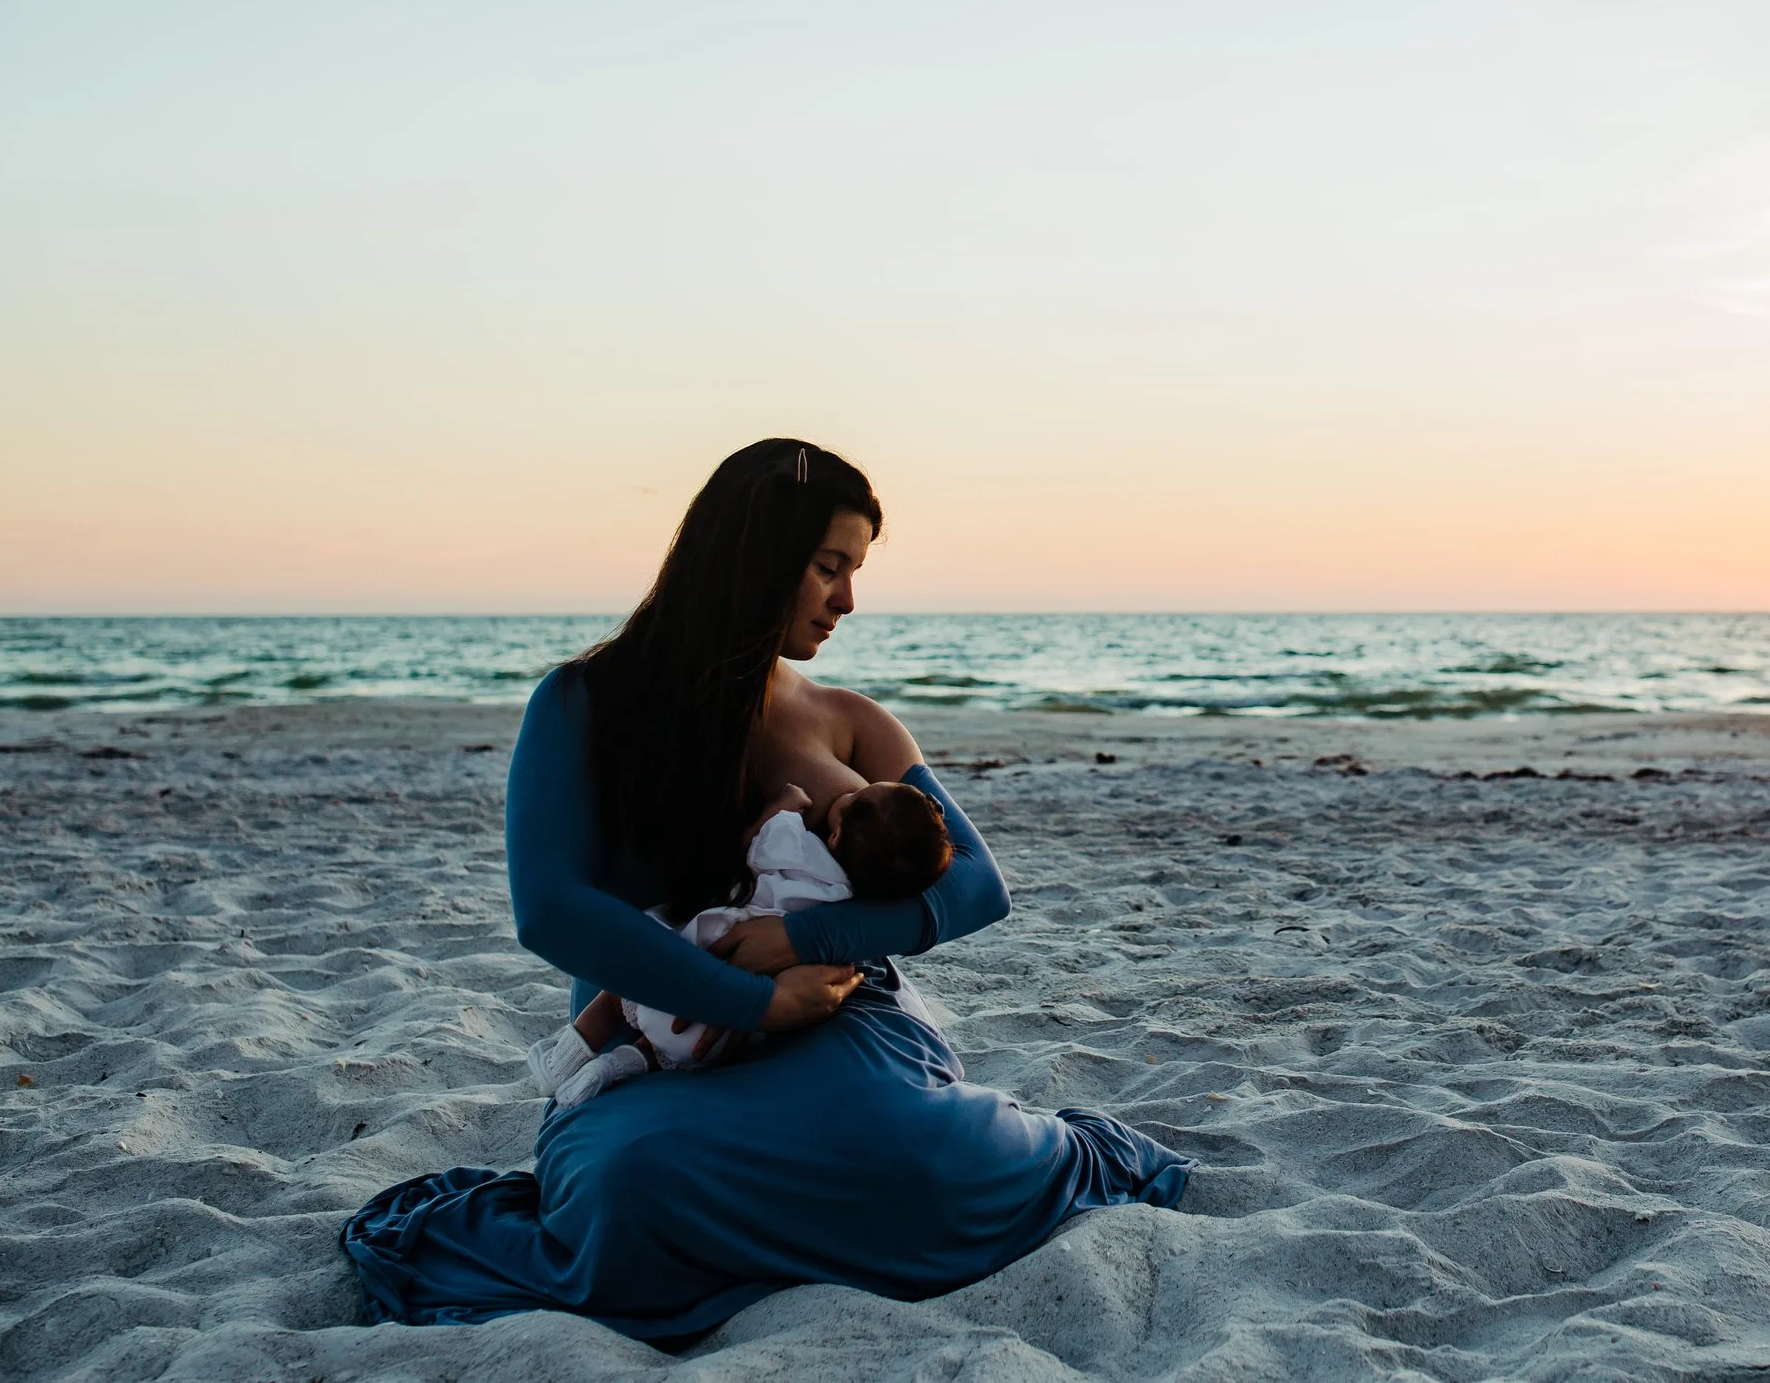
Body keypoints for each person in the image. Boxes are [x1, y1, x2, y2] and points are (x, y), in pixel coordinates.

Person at [344, 439, 1191, 1339]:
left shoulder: (851, 722)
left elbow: (981, 886)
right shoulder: (582, 704)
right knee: (626, 1195)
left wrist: (801, 948)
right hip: (656, 1040)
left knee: (922, 1155)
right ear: (757, 552)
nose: (848, 600)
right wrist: (748, 997)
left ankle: (1055, 1149)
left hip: (841, 1024)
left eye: (855, 571)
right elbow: (551, 908)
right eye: (831, 567)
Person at [527, 777, 953, 1108]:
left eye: (855, 798)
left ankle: (565, 1059)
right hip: (719, 1035)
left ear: (837, 836)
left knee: (626, 978)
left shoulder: (801, 849)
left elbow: (758, 846)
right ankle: (616, 1065)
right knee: (675, 1044)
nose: (851, 792)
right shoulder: (849, 899)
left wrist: (782, 806)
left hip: (691, 964)